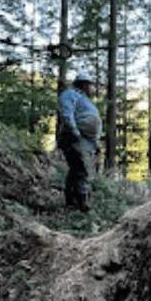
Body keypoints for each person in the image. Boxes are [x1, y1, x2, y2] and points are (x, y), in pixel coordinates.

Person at [57, 72, 102, 212]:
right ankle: (83, 205)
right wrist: (74, 132)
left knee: (76, 170)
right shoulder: (70, 94)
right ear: (84, 84)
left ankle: (72, 204)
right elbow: (67, 114)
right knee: (82, 169)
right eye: (92, 85)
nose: (94, 88)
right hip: (75, 138)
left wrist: (96, 143)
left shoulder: (87, 101)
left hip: (87, 140)